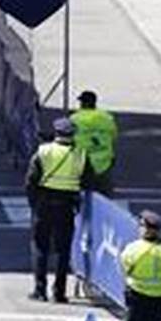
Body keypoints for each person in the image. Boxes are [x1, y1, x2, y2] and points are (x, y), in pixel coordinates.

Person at [25, 118, 93, 302]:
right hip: (66, 205)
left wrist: (34, 204)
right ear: (73, 135)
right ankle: (59, 292)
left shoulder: (44, 151)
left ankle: (40, 290)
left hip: (44, 204)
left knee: (41, 247)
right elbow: (88, 181)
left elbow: (31, 180)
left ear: (56, 133)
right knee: (63, 250)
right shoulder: (80, 155)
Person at [70, 90, 118, 194]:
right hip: (104, 163)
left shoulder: (75, 119)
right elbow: (113, 136)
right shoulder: (107, 118)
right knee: (104, 198)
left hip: (82, 162)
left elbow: (69, 139)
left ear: (83, 103)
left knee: (81, 196)